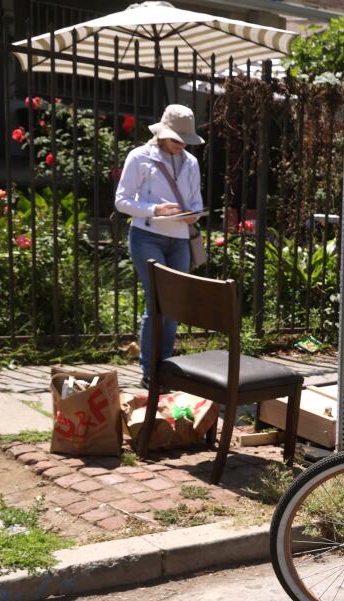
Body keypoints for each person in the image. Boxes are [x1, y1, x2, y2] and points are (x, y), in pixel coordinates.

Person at [115, 103, 204, 388]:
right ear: (162, 133)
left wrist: (193, 213)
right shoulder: (140, 157)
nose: (181, 145)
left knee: (174, 306)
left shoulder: (190, 162)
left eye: (185, 140)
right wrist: (155, 210)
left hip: (179, 238)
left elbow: (196, 200)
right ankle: (149, 372)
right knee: (157, 304)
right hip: (147, 236)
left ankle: (165, 366)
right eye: (176, 139)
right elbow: (122, 201)